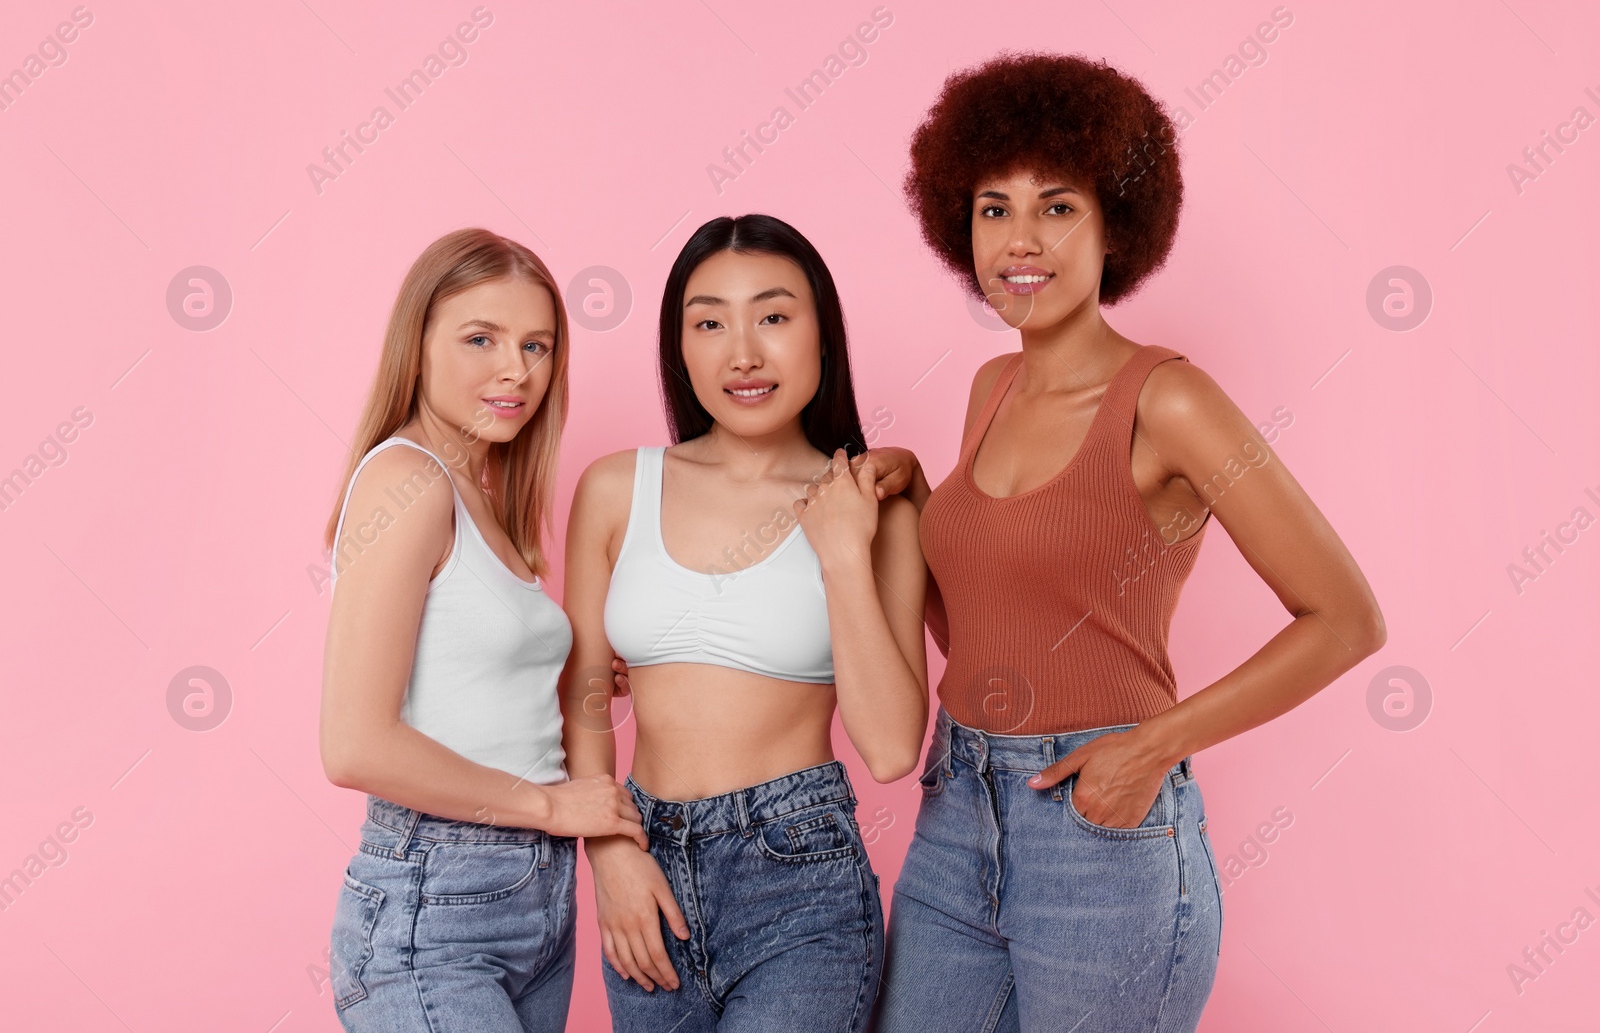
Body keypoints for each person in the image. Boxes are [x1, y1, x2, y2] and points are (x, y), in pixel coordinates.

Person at [865, 54, 1388, 1032]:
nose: (1019, 240)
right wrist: (913, 505)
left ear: (1115, 222)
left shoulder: (1169, 399)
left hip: (1097, 831)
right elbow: (988, 623)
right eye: (992, 208)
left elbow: (1346, 618)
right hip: (955, 808)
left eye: (1055, 206)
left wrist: (1154, 744)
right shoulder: (991, 387)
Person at [560, 214, 929, 1032]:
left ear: (822, 335)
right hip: (646, 864)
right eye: (709, 321)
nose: (743, 353)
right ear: (680, 346)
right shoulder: (615, 488)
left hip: (800, 879)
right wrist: (612, 851)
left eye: (772, 315)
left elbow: (894, 746)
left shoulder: (873, 509)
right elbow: (586, 691)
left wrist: (840, 551)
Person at [318, 228, 646, 1033]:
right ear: (418, 343)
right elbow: (354, 743)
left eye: (537, 344)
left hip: (530, 897)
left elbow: (471, 686)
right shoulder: (408, 481)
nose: (517, 370)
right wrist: (548, 805)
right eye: (481, 338)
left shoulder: (485, 496)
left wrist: (585, 664)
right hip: (436, 903)